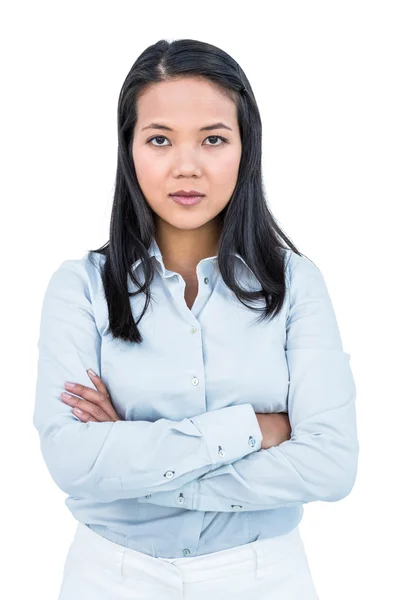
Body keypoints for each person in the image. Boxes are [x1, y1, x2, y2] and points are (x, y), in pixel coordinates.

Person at [33, 37, 359, 599]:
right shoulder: (79, 287)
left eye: (213, 139)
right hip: (111, 576)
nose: (187, 166)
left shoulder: (296, 284)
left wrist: (132, 464)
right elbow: (72, 460)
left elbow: (330, 466)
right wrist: (253, 430)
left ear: (245, 149)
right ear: (129, 150)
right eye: (159, 139)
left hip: (262, 577)